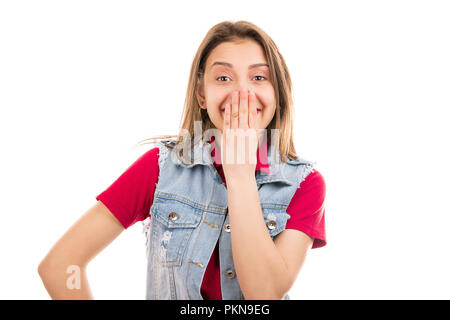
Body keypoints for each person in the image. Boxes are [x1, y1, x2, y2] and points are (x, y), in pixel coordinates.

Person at [38, 20, 327, 300]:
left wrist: (240, 175)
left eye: (259, 77)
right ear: (202, 94)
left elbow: (264, 296)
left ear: (277, 94)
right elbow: (62, 266)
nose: (242, 93)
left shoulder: (305, 184)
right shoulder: (160, 168)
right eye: (223, 78)